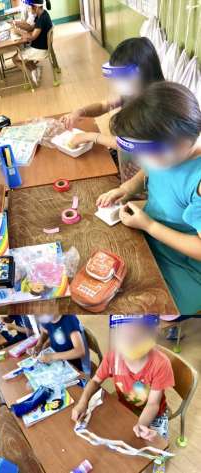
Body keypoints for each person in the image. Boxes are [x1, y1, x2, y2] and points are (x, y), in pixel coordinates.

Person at [96, 82, 201, 314]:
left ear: (182, 144)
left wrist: (149, 226)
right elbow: (152, 168)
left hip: (187, 265)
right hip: (150, 232)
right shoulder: (170, 153)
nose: (141, 160)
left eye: (146, 153)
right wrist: (128, 187)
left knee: (139, 305)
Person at [62, 37, 165, 182]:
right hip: (129, 158)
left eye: (121, 77)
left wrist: (90, 136)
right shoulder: (133, 89)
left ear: (141, 72)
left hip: (147, 170)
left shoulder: (155, 105)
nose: (117, 83)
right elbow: (104, 105)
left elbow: (126, 143)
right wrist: (79, 112)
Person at [72, 315, 175, 443]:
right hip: (125, 407)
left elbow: (153, 404)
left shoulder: (161, 363)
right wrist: (83, 402)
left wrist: (141, 424)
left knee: (157, 445)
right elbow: (95, 381)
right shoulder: (114, 356)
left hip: (155, 414)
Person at [12, 0, 53, 86]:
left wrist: (18, 32)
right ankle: (35, 70)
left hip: (40, 50)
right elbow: (31, 28)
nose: (30, 9)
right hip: (40, 47)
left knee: (15, 59)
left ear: (36, 7)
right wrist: (17, 24)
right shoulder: (42, 14)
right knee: (23, 52)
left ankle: (31, 79)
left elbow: (31, 37)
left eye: (31, 7)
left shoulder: (41, 19)